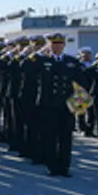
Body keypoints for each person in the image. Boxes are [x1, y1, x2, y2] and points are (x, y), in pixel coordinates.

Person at [35, 32, 82, 177]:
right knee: (50, 137)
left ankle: (64, 167)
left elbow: (81, 85)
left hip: (66, 106)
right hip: (48, 105)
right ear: (49, 45)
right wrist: (37, 53)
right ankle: (52, 167)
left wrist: (78, 106)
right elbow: (26, 69)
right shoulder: (41, 60)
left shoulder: (72, 62)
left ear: (64, 45)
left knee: (65, 138)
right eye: (54, 43)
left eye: (59, 43)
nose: (57, 46)